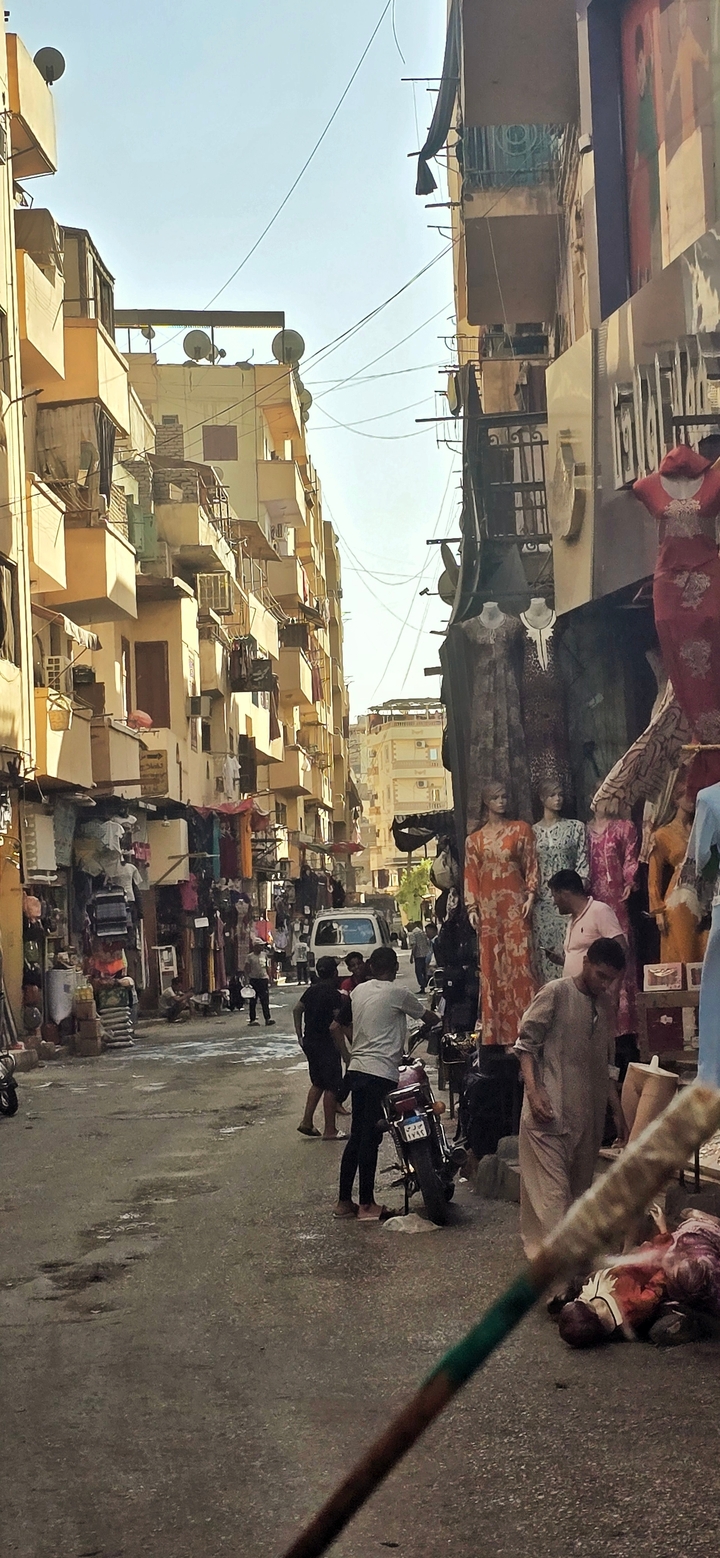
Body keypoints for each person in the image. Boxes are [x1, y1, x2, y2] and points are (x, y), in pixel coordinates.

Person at [515, 938, 627, 1292]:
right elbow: (525, 1045)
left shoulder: (604, 1005)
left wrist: (617, 1114)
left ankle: (565, 1270)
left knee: (578, 1198)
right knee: (554, 1199)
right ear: (586, 962)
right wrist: (534, 1092)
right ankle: (559, 1287)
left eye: (610, 979)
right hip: (548, 1114)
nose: (604, 983)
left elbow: (607, 1065)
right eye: (600, 975)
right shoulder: (556, 992)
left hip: (587, 1118)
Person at [334, 945, 441, 1222]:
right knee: (369, 1137)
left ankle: (345, 1201)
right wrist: (438, 1020)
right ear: (394, 968)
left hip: (357, 1069)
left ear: (371, 968)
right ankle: (367, 1204)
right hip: (379, 1072)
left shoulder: (359, 991)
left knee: (357, 1136)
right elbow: (428, 1017)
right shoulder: (398, 993)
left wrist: (351, 1051)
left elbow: (338, 1024)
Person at [295, 957, 352, 1141]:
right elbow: (338, 1025)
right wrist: (345, 1051)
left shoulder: (311, 991)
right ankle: (330, 1130)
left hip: (310, 1042)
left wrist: (299, 1035)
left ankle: (306, 1122)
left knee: (318, 1082)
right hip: (327, 1044)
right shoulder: (334, 995)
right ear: (335, 973)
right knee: (332, 1086)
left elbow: (297, 1009)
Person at [547, 869, 625, 977]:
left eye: (554, 895)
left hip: (596, 992)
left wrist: (611, 988)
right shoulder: (571, 920)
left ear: (565, 893)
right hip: (574, 991)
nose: (554, 902)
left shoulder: (599, 910)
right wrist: (562, 961)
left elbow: (622, 950)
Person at [244, 941, 276, 1027]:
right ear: (255, 946)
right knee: (253, 1001)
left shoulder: (264, 955)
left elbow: (267, 966)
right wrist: (247, 981)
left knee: (265, 1000)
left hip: (263, 979)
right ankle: (252, 1019)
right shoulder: (250, 957)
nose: (262, 947)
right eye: (260, 946)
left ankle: (267, 1019)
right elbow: (246, 969)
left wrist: (270, 978)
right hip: (254, 980)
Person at [407, 921, 432, 992]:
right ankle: (426, 984)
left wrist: (412, 956)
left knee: (418, 971)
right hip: (425, 953)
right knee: (424, 970)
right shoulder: (421, 931)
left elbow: (414, 945)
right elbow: (427, 942)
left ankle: (422, 986)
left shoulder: (412, 933)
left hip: (418, 955)